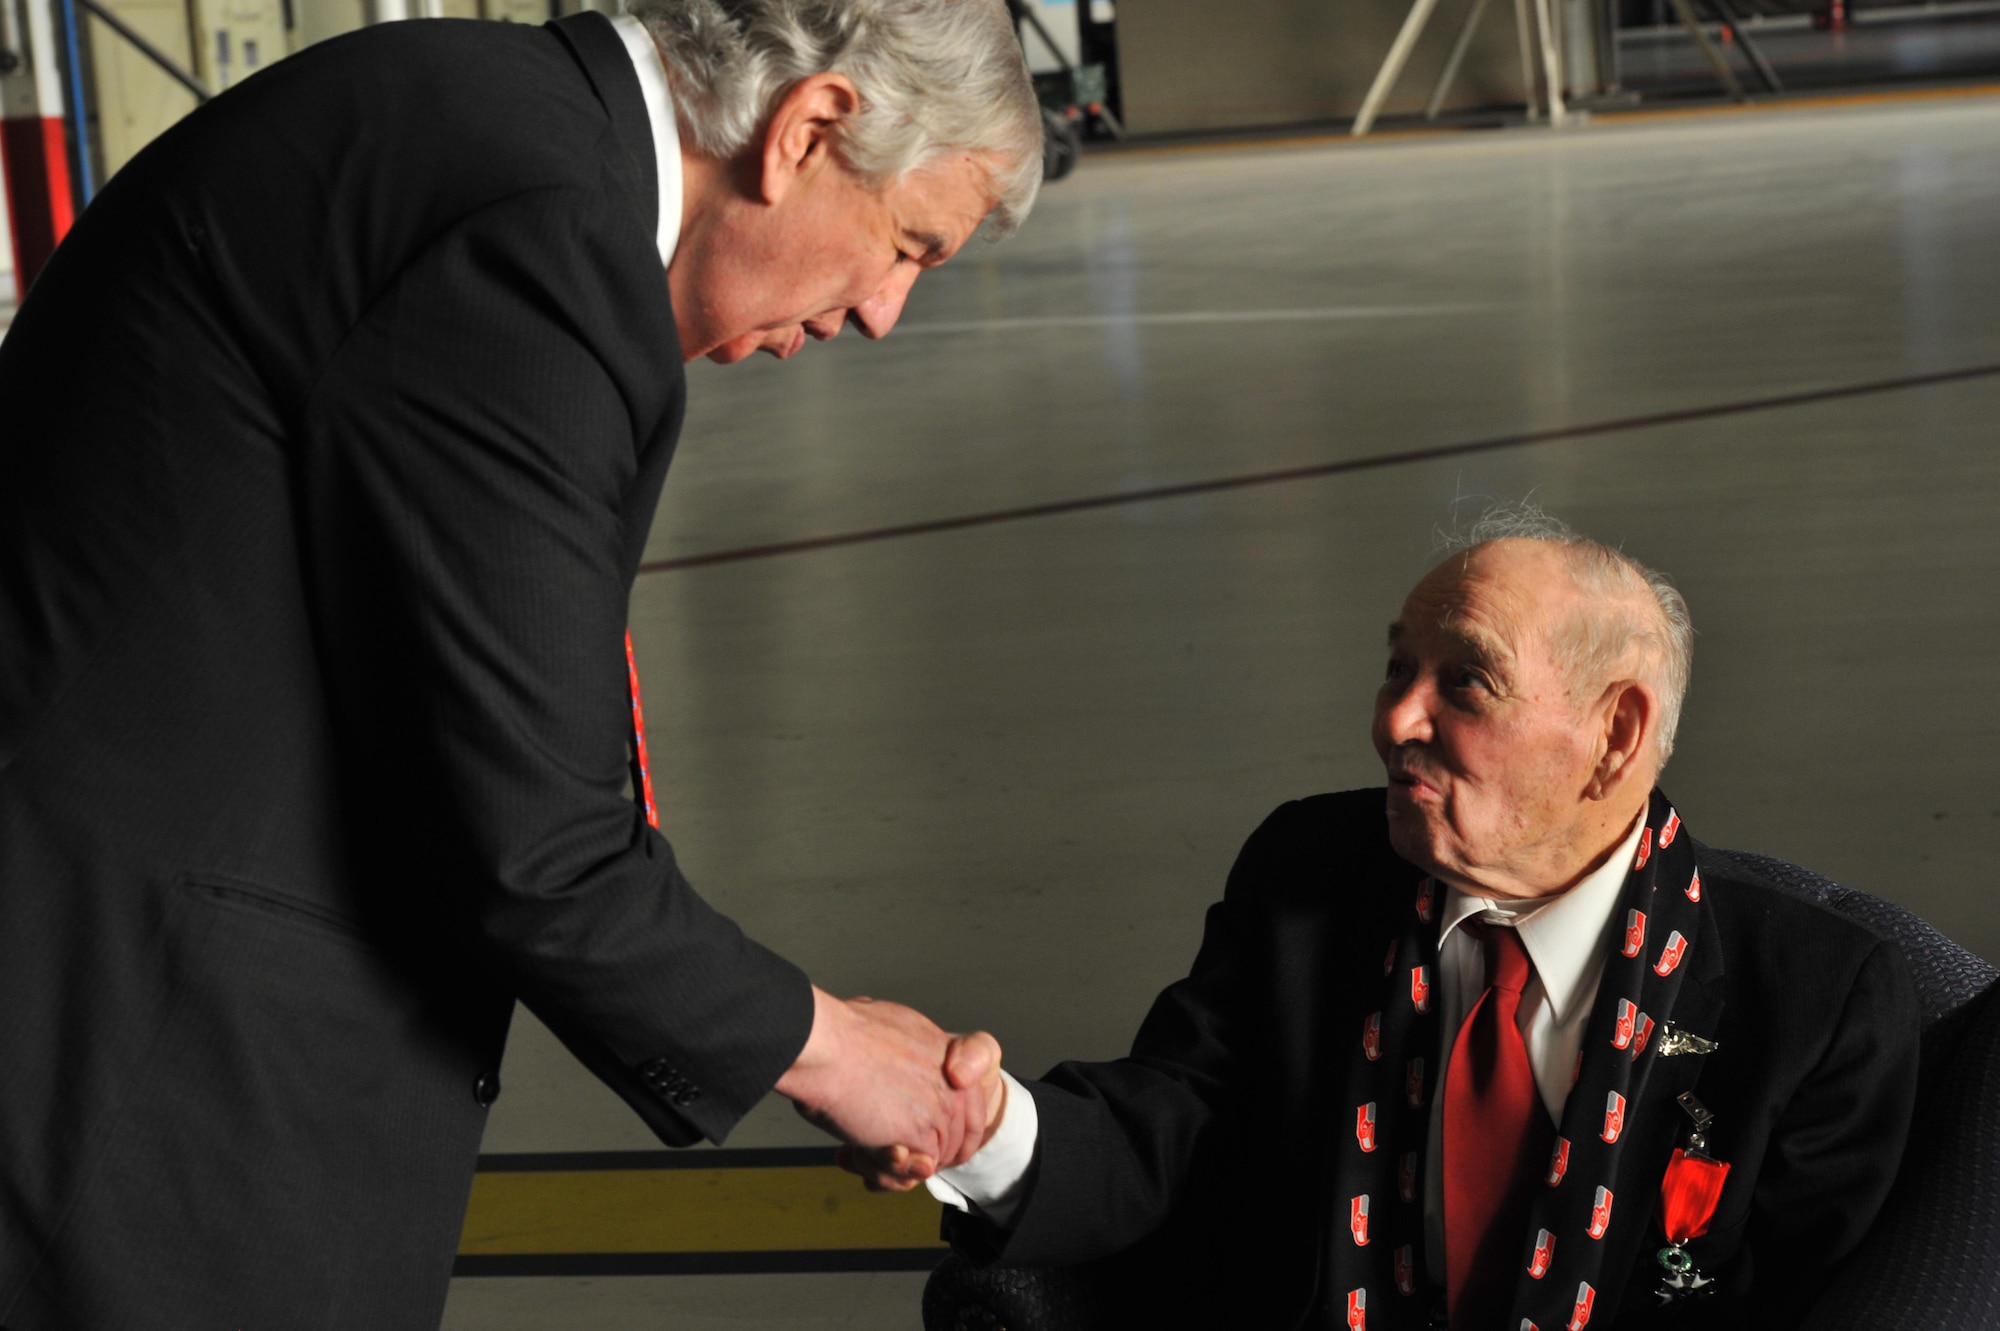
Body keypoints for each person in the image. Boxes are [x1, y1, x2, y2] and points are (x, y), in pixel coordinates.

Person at [0, 2, 1038, 1326]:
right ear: (811, 128)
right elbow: (537, 843)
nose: (882, 313)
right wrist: (838, 1050)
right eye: (906, 246)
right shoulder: (540, 230)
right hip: (139, 1077)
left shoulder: (478, 111)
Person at [915, 508, 1920, 1330]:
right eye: (1398, 668)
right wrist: (978, 1128)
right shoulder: (1307, 876)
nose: (1392, 719)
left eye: (1465, 681)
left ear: (1614, 735)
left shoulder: (1813, 1005)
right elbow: (1166, 1131)